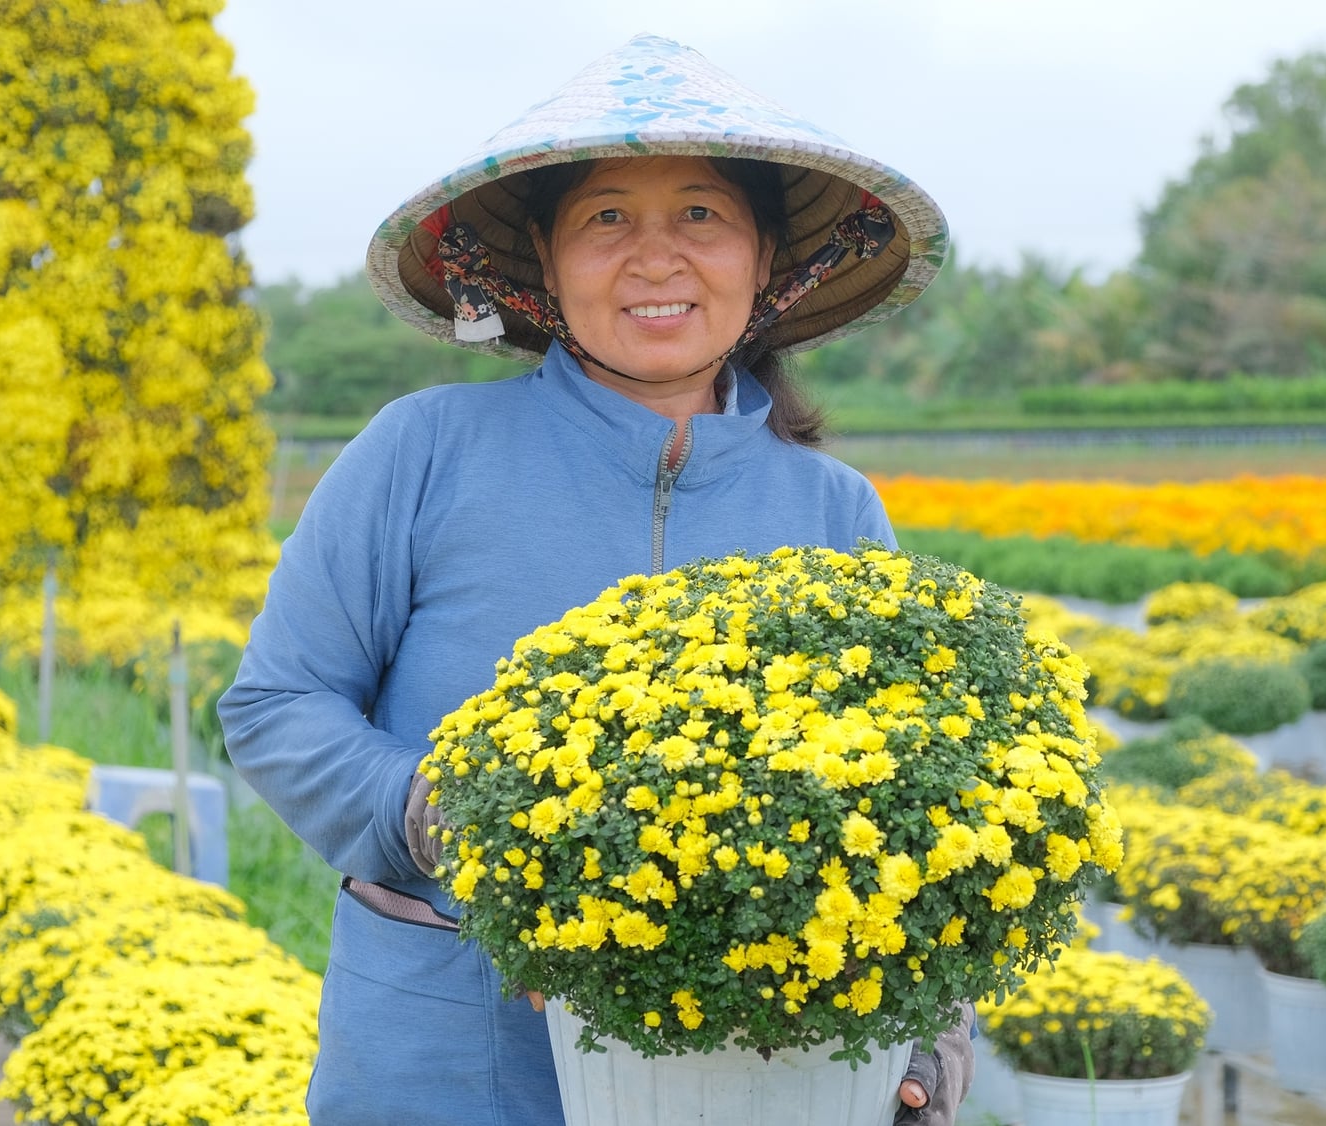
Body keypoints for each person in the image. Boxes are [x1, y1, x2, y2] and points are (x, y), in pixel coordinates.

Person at [221, 34, 968, 1125]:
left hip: (747, 1064)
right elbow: (275, 705)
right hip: (441, 1044)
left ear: (763, 258)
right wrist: (438, 815)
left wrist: (925, 1036)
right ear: (543, 255)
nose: (654, 257)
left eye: (701, 215)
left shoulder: (830, 512)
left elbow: (914, 801)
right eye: (606, 216)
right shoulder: (423, 450)